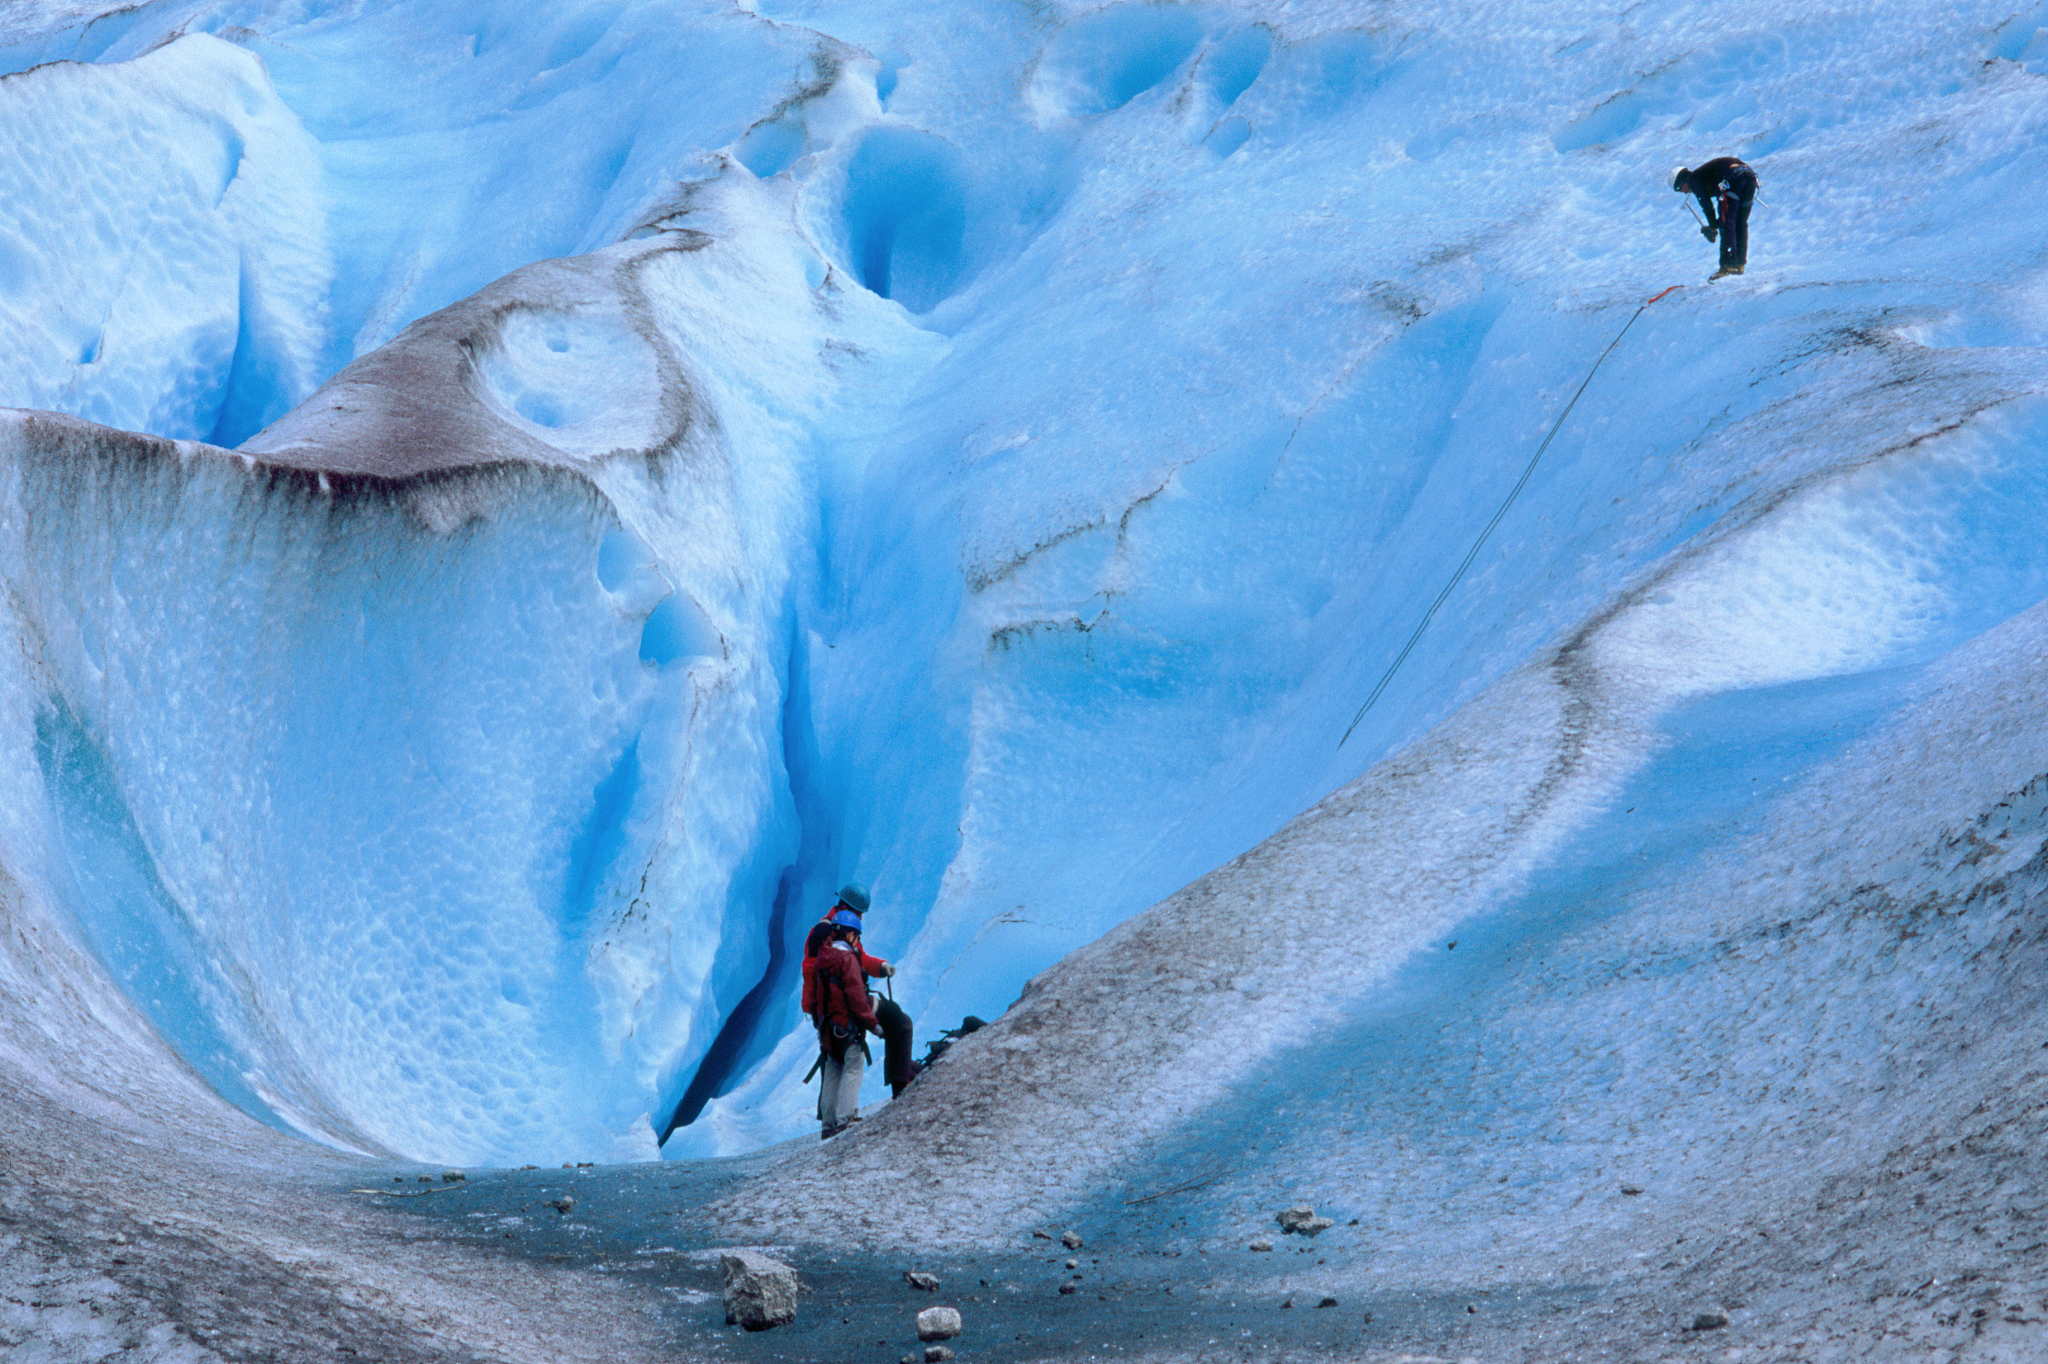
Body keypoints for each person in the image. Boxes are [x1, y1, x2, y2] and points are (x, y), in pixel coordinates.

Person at [800, 884, 893, 1139]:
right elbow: (851, 983)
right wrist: (872, 1023)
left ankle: (829, 1124)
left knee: (832, 1063)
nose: (862, 918)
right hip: (839, 1013)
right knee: (851, 1062)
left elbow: (819, 968)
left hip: (825, 1013)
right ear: (848, 908)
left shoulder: (831, 936)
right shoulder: (833, 935)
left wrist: (880, 966)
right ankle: (845, 1118)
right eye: (859, 912)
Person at [1672, 157, 1757, 279]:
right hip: (1749, 177)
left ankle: (1728, 266)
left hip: (1731, 178)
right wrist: (1713, 226)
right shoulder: (1703, 176)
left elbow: (1707, 206)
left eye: (1680, 189)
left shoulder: (1693, 180)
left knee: (1727, 222)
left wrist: (1713, 228)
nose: (1684, 193)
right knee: (1739, 222)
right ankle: (1739, 264)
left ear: (1682, 181)